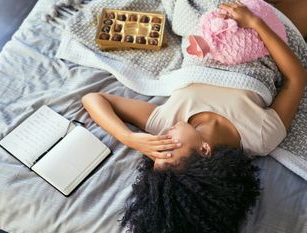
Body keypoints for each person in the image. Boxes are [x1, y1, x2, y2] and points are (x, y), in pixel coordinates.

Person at [81, 2, 307, 233]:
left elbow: (94, 99)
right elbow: (296, 78)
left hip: (207, 23)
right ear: (204, 151)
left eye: (155, 155)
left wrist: (129, 137)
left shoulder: (166, 121)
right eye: (168, 151)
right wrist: (255, 23)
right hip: (260, 33)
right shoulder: (259, 136)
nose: (161, 144)